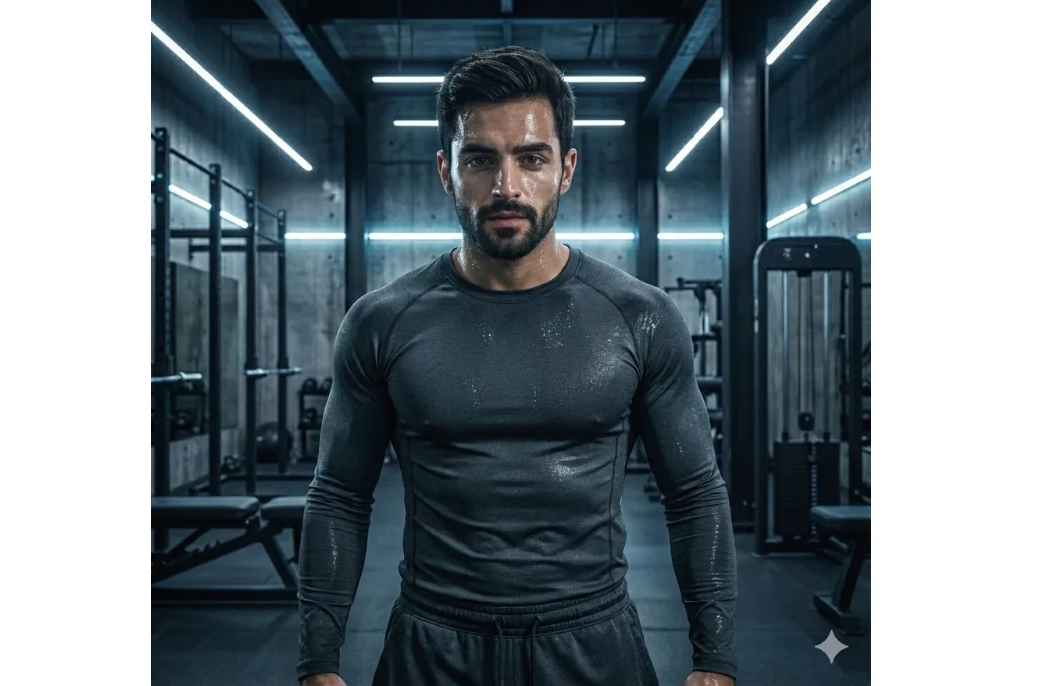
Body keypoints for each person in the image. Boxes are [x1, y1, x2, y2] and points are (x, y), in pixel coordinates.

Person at [296, 46, 739, 686]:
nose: (507, 186)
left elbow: (694, 492)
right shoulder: (382, 321)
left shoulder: (639, 316)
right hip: (434, 647)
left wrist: (715, 659)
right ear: (447, 171)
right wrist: (318, 662)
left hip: (592, 645)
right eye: (481, 159)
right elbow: (339, 494)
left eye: (532, 158)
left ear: (566, 169)